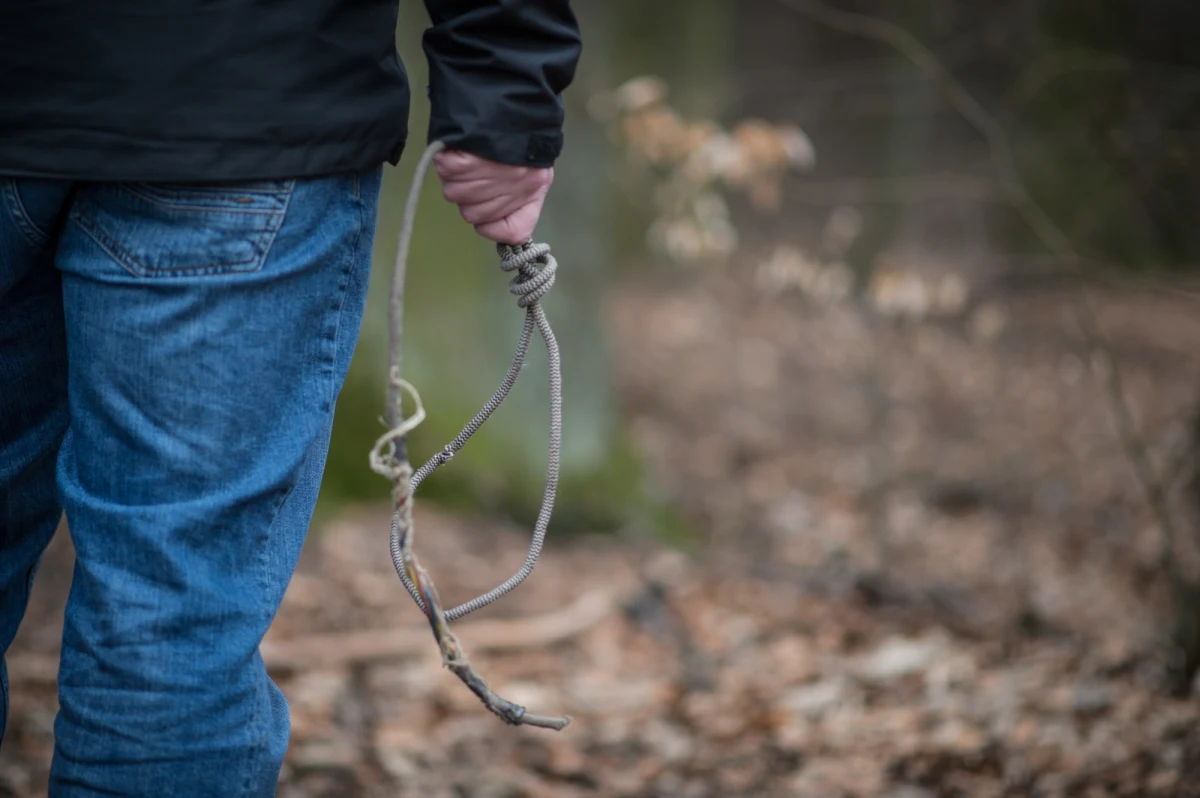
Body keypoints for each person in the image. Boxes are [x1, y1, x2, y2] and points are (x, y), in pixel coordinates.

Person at [0, 1, 581, 794]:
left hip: (215, 107)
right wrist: (505, 86)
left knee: (167, 614)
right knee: (167, 616)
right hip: (245, 96)